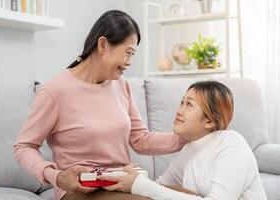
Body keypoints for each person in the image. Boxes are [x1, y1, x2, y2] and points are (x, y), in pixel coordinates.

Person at [13, 10, 187, 200]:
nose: (129, 62)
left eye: (133, 55)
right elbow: (24, 146)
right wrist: (56, 177)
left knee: (195, 197)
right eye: (128, 53)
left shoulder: (122, 85)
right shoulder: (54, 91)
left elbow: (141, 140)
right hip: (79, 191)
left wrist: (188, 137)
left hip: (121, 182)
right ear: (103, 44)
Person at [99, 81, 268, 200]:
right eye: (182, 102)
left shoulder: (232, 144)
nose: (179, 111)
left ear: (209, 121)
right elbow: (159, 187)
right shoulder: (190, 149)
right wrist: (137, 177)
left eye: (189, 105)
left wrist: (142, 185)